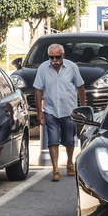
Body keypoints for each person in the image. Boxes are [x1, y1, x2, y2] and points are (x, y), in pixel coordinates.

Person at [34, 43, 86, 182]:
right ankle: (55, 169)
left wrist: (82, 108)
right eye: (51, 57)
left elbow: (80, 87)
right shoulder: (43, 69)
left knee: (69, 139)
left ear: (63, 56)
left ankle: (69, 163)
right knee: (53, 139)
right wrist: (40, 112)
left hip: (69, 110)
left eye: (57, 57)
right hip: (50, 110)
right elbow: (38, 90)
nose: (54, 60)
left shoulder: (72, 68)